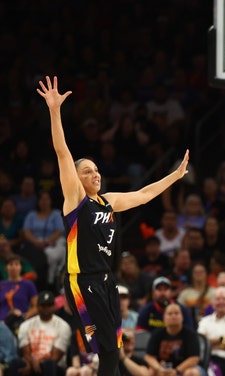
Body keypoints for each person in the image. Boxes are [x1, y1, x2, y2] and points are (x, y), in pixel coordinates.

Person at [37, 76, 190, 376]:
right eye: (87, 171)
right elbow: (62, 153)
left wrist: (175, 175)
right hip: (82, 282)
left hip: (107, 281)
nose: (95, 174)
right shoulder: (75, 201)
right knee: (108, 352)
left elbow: (144, 195)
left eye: (96, 169)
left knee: (113, 352)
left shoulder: (108, 202)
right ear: (76, 178)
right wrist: (55, 111)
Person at [8, 291, 71, 376]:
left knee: (49, 364)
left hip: (54, 366)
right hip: (30, 362)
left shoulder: (63, 326)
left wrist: (38, 363)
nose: (46, 309)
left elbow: (56, 357)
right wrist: (32, 363)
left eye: (49, 305)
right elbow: (26, 353)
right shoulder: (26, 325)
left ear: (54, 306)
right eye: (43, 306)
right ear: (37, 306)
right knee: (15, 363)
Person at [144, 303, 204, 376]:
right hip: (163, 367)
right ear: (164, 318)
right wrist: (158, 368)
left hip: (185, 368)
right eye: (170, 314)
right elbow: (149, 356)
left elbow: (194, 358)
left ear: (182, 317)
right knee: (150, 372)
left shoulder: (190, 334)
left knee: (191, 373)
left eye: (176, 313)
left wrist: (177, 371)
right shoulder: (157, 334)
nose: (173, 316)